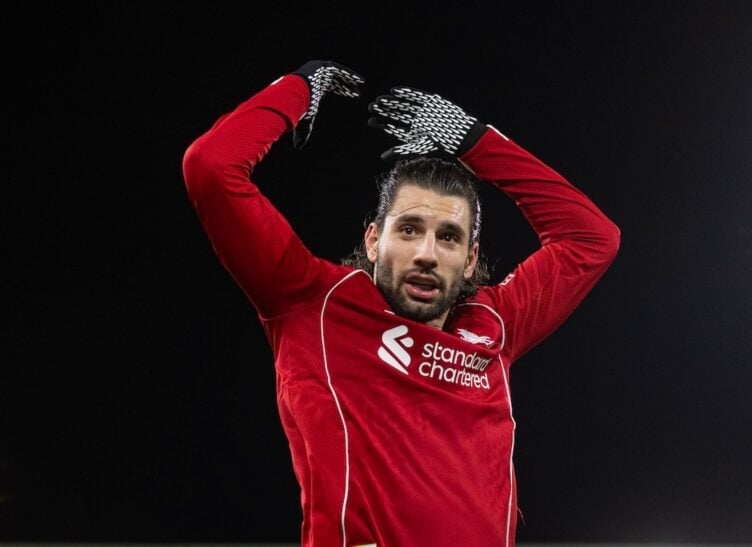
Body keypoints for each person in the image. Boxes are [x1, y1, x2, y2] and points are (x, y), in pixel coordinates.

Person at [182, 59, 620, 547]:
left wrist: (475, 143)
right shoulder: (313, 303)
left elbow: (593, 237)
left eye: (449, 237)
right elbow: (211, 166)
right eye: (409, 230)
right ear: (373, 241)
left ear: (470, 259)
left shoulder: (495, 324)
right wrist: (298, 91)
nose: (427, 254)